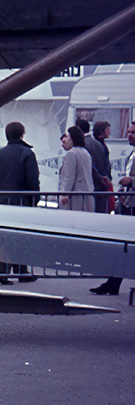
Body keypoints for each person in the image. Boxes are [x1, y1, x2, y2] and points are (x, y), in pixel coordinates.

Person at [0, 121, 39, 283]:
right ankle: (4, 271)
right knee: (19, 235)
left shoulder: (0, 154)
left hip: (4, 200)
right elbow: (32, 180)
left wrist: (0, 193)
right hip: (22, 201)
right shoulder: (27, 154)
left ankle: (19, 270)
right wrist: (34, 199)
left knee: (7, 235)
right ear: (22, 134)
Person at [90, 121, 135, 296]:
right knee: (121, 246)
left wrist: (131, 181)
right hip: (128, 204)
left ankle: (113, 282)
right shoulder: (132, 152)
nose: (129, 136)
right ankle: (113, 282)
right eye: (129, 132)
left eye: (133, 133)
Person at [57, 127, 95, 212]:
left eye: (67, 137)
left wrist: (65, 194)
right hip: (87, 194)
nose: (65, 140)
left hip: (75, 197)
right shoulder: (86, 152)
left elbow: (69, 177)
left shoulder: (71, 154)